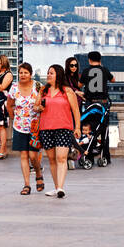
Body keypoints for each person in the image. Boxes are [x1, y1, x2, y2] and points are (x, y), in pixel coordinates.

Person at [38, 64, 81, 198]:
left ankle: (61, 188)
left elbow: (75, 111)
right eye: (48, 73)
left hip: (63, 127)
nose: (48, 75)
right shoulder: (43, 90)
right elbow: (35, 106)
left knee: (61, 158)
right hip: (46, 127)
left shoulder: (67, 91)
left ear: (58, 75)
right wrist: (38, 107)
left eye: (51, 73)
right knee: (51, 159)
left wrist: (78, 127)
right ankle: (57, 187)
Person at [6, 63, 43, 195]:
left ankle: (38, 173)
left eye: (26, 73)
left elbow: (45, 104)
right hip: (19, 126)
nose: (23, 75)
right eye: (21, 72)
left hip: (34, 127)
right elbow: (9, 105)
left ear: (30, 74)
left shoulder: (38, 86)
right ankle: (27, 184)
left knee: (33, 155)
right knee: (23, 155)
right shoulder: (14, 88)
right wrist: (14, 118)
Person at [81, 51, 115, 165]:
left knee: (89, 129)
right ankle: (106, 156)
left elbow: (80, 84)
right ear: (100, 60)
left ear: (89, 60)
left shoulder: (86, 71)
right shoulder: (104, 70)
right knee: (104, 130)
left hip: (90, 104)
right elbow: (113, 80)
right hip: (103, 104)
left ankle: (89, 156)